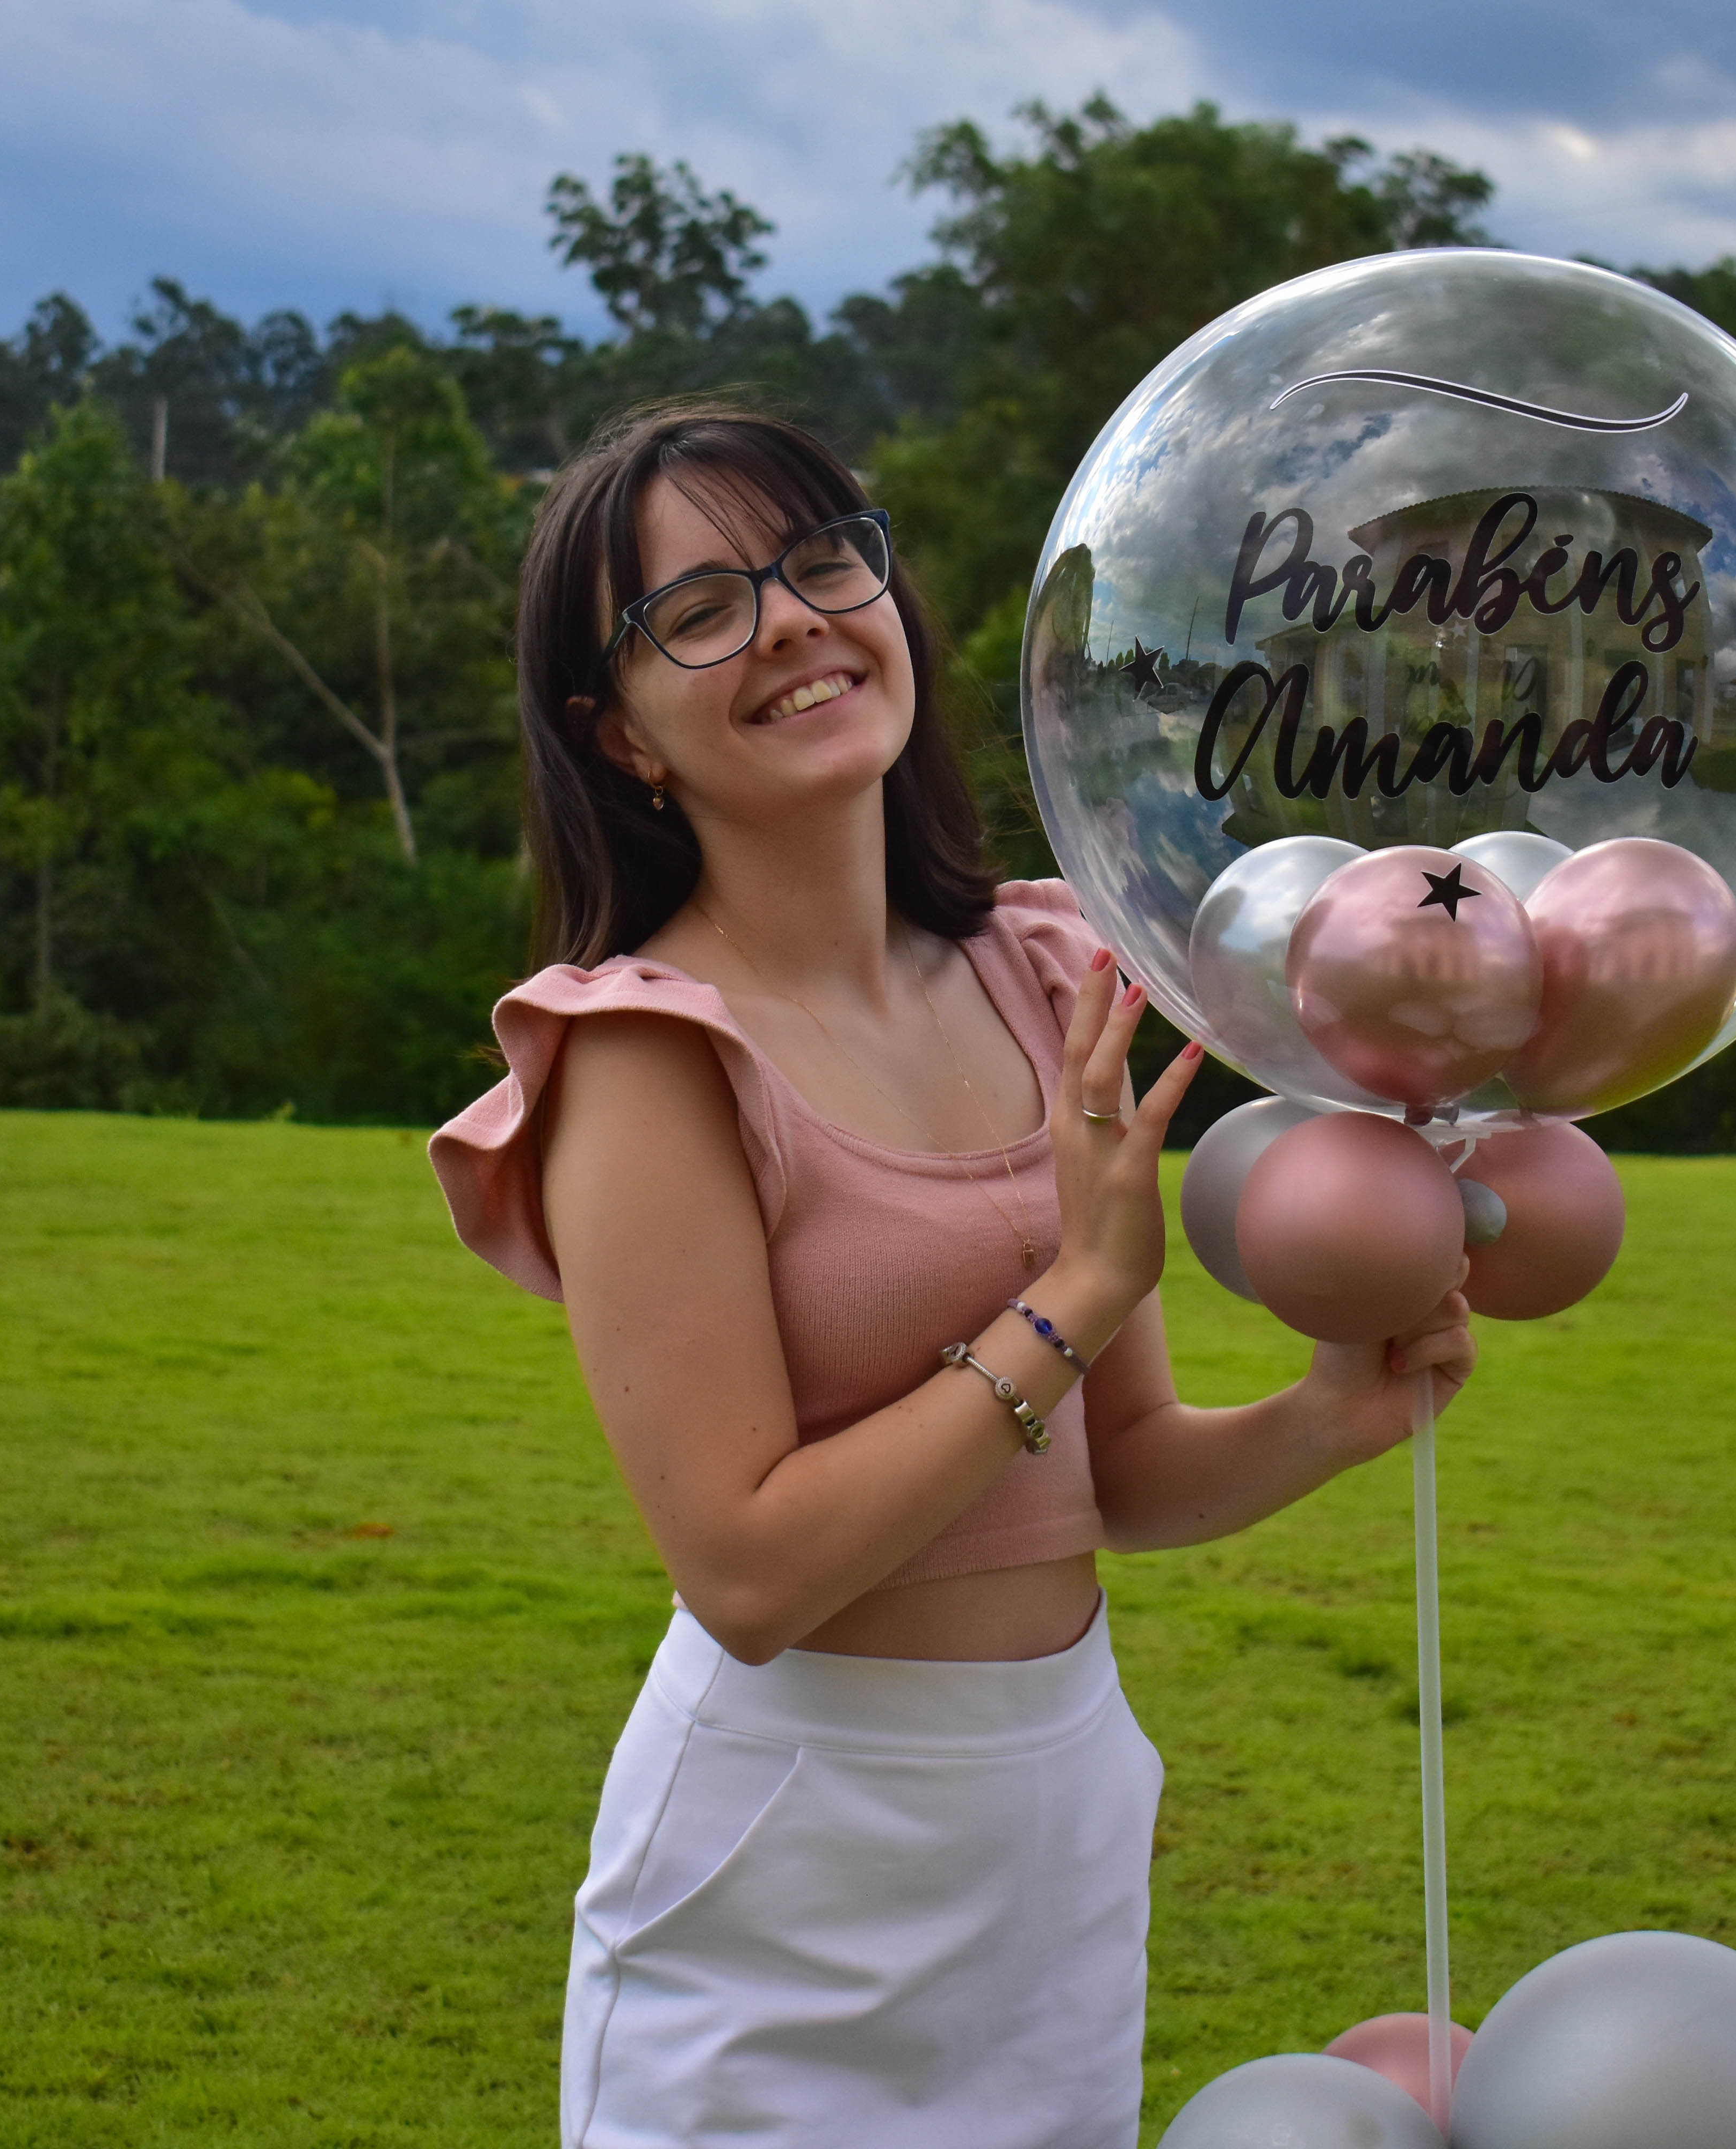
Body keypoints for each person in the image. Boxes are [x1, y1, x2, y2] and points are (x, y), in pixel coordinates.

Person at [430, 402, 1475, 2149]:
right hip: (789, 1870)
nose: (791, 623)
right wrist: (1075, 1297)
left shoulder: (1044, 968)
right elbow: (747, 1570)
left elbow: (1115, 1476)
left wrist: (1329, 1416)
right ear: (619, 736)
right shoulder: (645, 1056)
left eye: (821, 561)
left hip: (1054, 1830)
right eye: (702, 610)